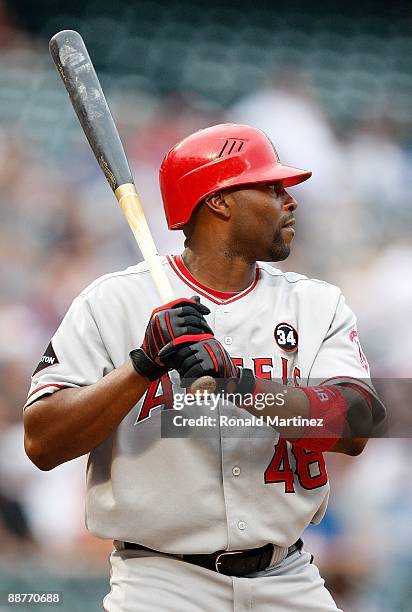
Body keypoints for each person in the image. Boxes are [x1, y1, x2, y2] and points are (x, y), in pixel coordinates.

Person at [23, 124, 385, 611]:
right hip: (160, 583)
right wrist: (141, 367)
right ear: (220, 201)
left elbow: (358, 425)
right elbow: (42, 442)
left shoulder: (316, 303)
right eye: (272, 187)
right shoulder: (113, 301)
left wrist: (239, 382)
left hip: (289, 577)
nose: (290, 201)